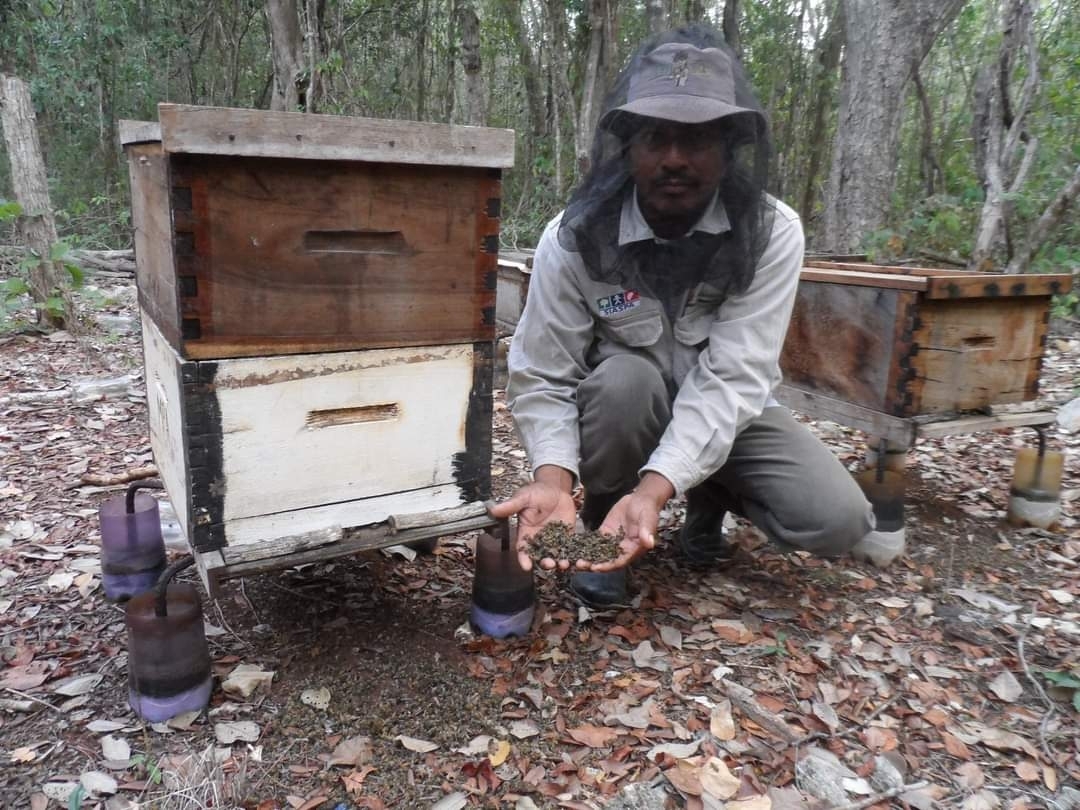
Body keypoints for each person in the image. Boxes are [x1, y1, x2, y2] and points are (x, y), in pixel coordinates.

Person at [490, 25, 889, 607]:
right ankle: (603, 530)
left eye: (697, 139)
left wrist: (658, 487)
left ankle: (704, 495)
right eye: (656, 137)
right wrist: (553, 480)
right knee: (627, 380)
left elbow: (734, 378)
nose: (675, 159)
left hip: (731, 414)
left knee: (838, 520)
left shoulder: (772, 232)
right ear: (628, 146)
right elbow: (543, 372)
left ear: (729, 149)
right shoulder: (572, 238)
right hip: (625, 410)